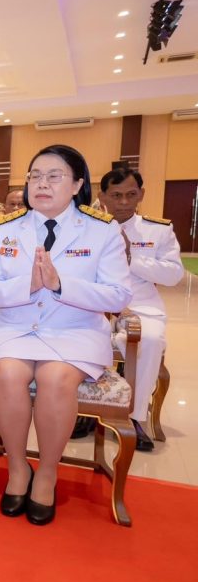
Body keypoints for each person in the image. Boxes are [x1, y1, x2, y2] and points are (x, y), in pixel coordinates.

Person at [0, 144, 131, 525]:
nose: (41, 184)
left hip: (74, 330)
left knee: (55, 377)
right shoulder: (6, 229)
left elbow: (118, 295)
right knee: (8, 373)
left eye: (54, 177)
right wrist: (27, 286)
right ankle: (17, 467)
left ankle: (46, 472)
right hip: (15, 327)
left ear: (77, 184)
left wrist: (61, 284)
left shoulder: (102, 230)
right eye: (35, 176)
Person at [97, 168, 184, 451]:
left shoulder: (158, 230)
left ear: (141, 195)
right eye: (116, 195)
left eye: (131, 194)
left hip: (140, 305)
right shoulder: (87, 227)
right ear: (102, 197)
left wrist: (131, 257)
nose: (124, 202)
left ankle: (133, 416)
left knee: (150, 339)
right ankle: (85, 409)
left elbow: (173, 275)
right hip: (95, 304)